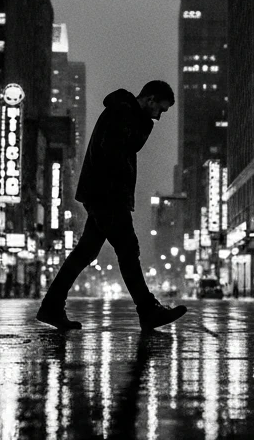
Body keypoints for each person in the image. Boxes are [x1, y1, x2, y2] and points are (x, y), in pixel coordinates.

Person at [37, 81, 188, 332]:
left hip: (104, 193)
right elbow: (115, 152)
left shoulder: (125, 113)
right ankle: (147, 310)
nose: (159, 117)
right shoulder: (122, 113)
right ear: (150, 99)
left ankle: (51, 306)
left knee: (85, 252)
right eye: (160, 109)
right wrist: (115, 196)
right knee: (128, 249)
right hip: (107, 194)